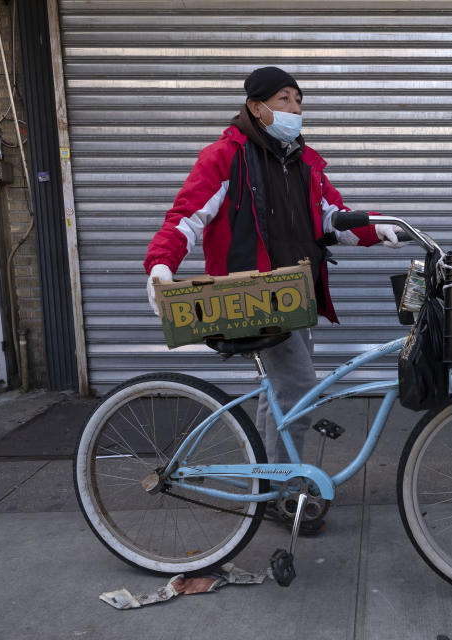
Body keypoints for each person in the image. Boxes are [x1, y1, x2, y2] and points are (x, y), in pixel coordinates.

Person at [143, 67, 403, 530]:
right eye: (284, 99)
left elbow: (332, 218)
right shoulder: (226, 157)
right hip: (252, 300)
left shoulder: (305, 162)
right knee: (299, 390)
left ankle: (267, 482)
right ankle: (284, 495)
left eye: (299, 101)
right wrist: (161, 267)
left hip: (297, 298)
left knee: (283, 396)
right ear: (256, 106)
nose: (295, 110)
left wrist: (375, 227)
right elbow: (186, 217)